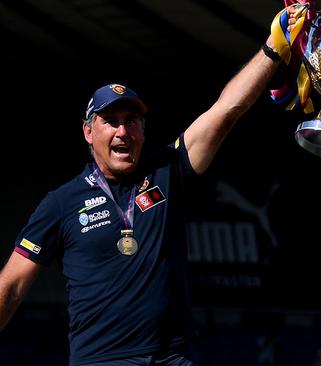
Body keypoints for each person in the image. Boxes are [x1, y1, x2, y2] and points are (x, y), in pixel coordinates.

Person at [0, 6, 301, 366]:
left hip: (174, 358)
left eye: (132, 121)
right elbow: (13, 285)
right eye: (110, 121)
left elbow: (226, 111)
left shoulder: (166, 171)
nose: (122, 131)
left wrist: (274, 46)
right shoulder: (61, 203)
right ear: (88, 132)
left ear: (143, 130)